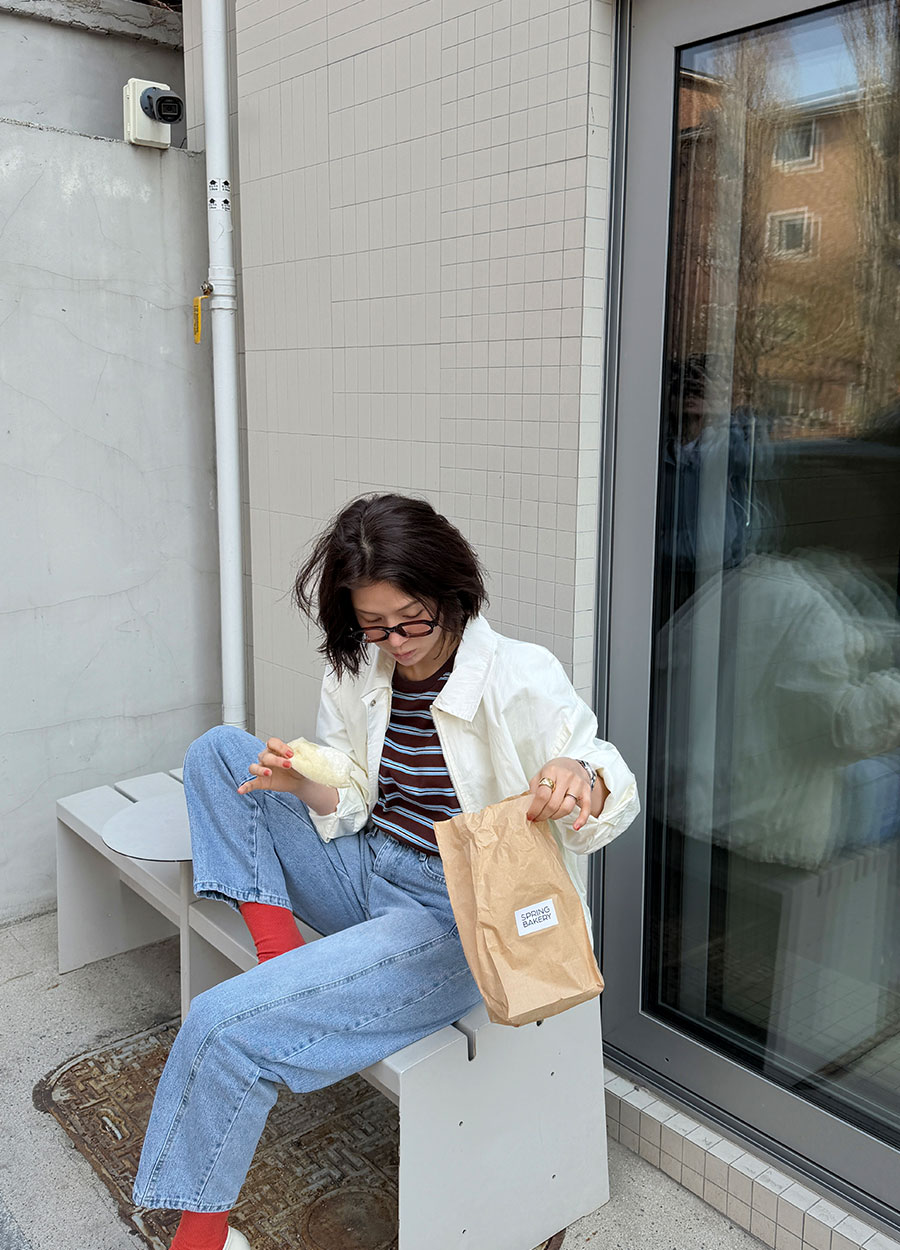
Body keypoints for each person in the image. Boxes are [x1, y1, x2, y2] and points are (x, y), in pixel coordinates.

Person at [132, 493, 640, 1250]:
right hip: (367, 866)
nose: (395, 642)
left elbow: (604, 775)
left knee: (220, 1025)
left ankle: (196, 1241)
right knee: (218, 752)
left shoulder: (518, 675)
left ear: (450, 593)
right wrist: (301, 784)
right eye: (374, 624)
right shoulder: (360, 669)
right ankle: (281, 959)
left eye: (410, 621)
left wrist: (580, 777)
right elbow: (354, 796)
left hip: (456, 920)